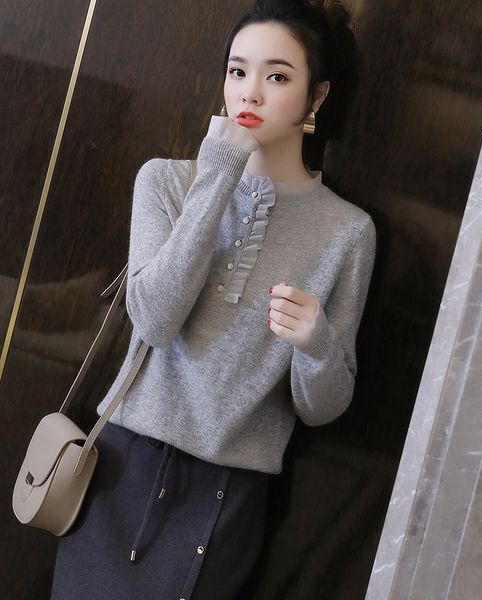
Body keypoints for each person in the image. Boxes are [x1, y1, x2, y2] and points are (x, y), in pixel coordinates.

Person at [50, 0, 376, 598]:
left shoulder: (347, 233)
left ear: (317, 97)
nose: (250, 92)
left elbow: (323, 408)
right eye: (237, 71)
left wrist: (317, 345)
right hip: (121, 467)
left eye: (277, 77)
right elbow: (155, 320)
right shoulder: (165, 182)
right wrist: (221, 169)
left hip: (228, 493)